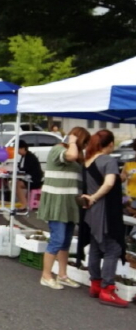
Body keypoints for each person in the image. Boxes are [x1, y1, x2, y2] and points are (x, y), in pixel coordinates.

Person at [37, 126, 91, 290]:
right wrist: (72, 141)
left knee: (65, 242)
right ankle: (46, 276)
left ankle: (62, 275)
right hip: (57, 202)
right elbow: (71, 155)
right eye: (84, 142)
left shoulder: (76, 156)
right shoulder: (58, 150)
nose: (85, 146)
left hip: (69, 204)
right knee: (57, 240)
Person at [80, 129, 128, 307]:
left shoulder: (88, 161)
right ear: (110, 144)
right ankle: (107, 289)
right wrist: (95, 197)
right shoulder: (109, 160)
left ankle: (95, 284)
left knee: (95, 248)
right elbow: (108, 184)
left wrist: (91, 198)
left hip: (91, 212)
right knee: (112, 249)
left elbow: (98, 182)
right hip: (105, 211)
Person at [15, 139, 43, 212]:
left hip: (34, 180)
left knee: (17, 184)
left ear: (23, 148)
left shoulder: (30, 157)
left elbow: (25, 169)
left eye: (18, 149)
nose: (17, 152)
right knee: (15, 183)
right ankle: (23, 201)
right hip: (29, 178)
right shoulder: (24, 156)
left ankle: (24, 204)